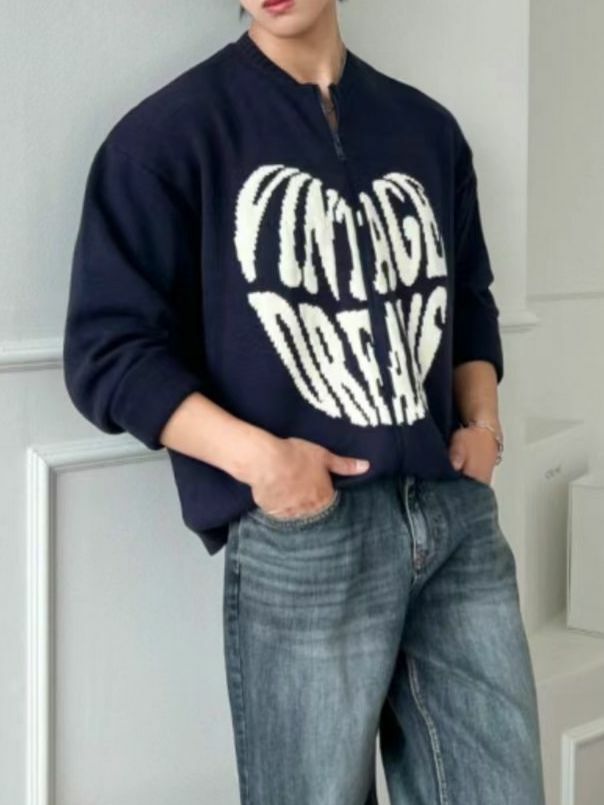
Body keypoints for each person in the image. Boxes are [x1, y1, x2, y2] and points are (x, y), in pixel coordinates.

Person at [62, 0, 547, 802]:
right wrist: (265, 462)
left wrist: (483, 423)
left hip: (454, 520)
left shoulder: (427, 129)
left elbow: (469, 299)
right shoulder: (167, 139)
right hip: (308, 537)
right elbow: (108, 350)